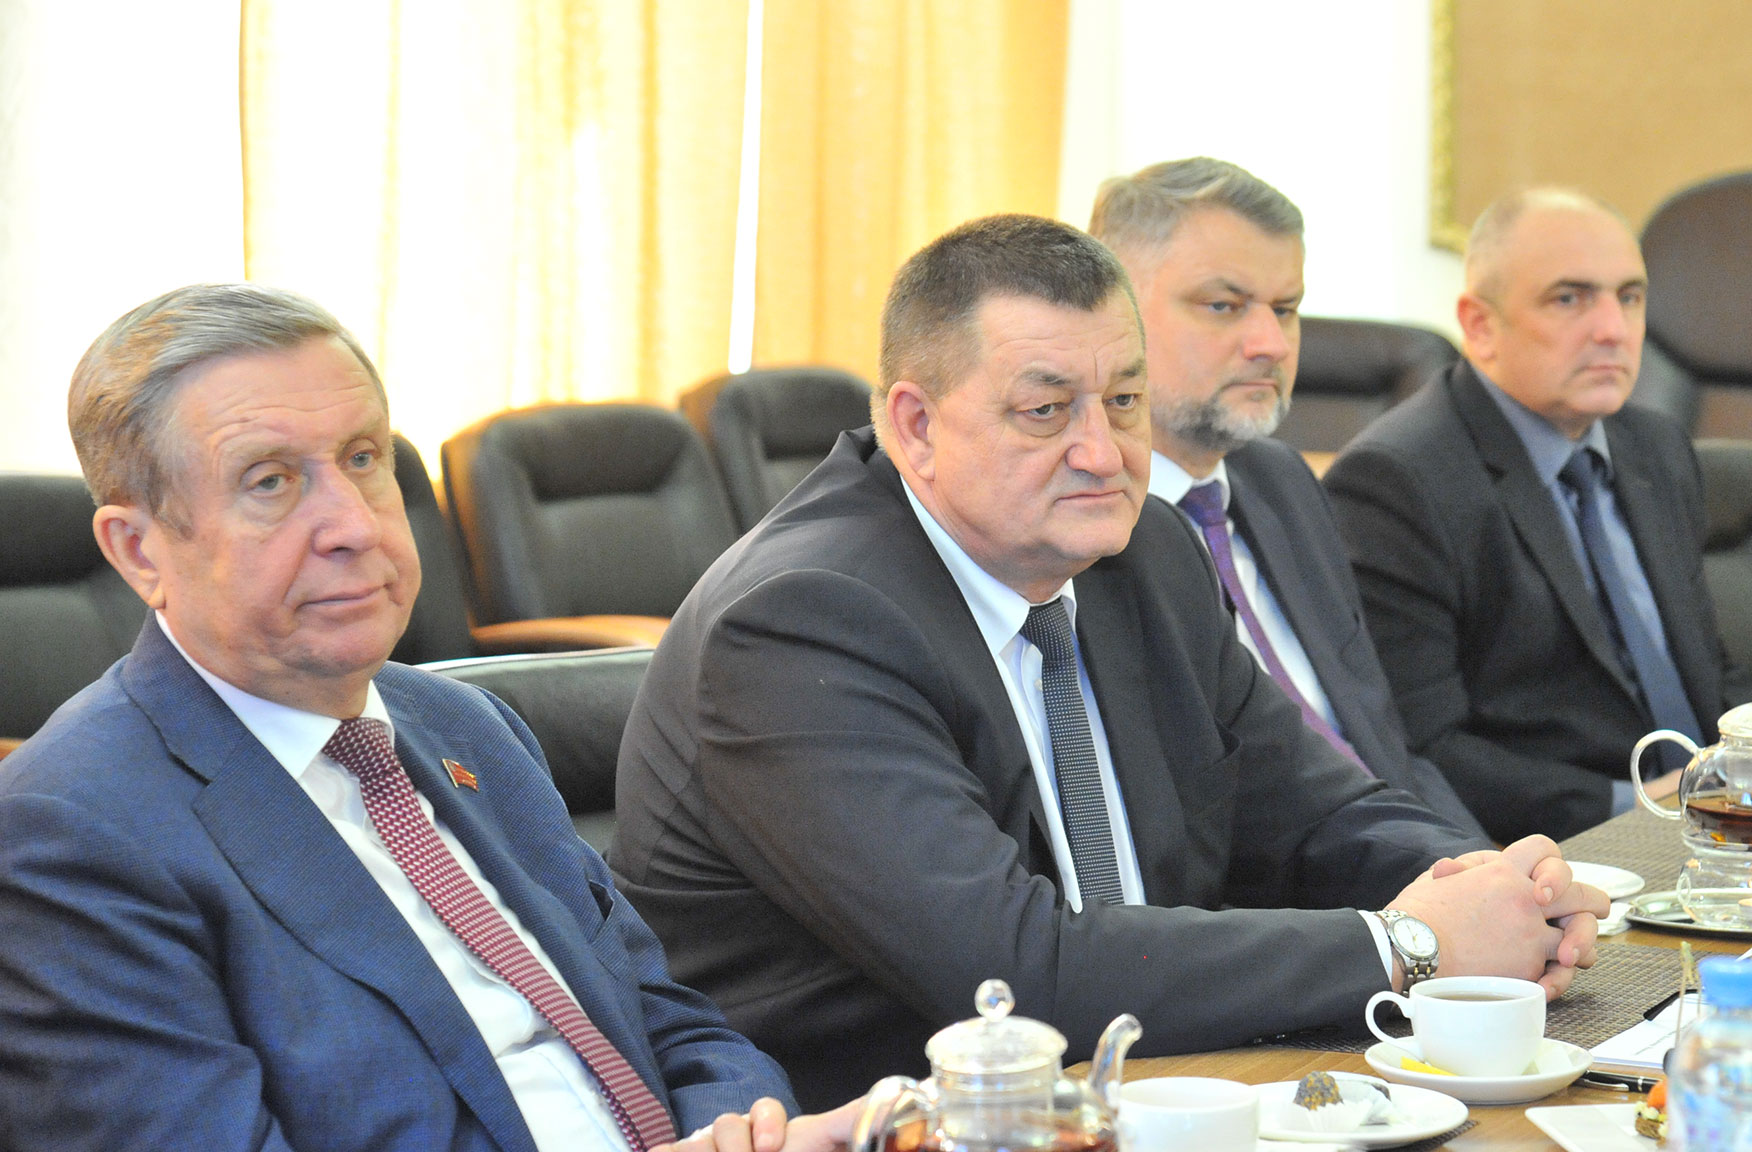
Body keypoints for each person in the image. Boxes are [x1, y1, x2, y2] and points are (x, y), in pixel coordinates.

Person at [610, 214, 1607, 1110]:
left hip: (1173, 1089)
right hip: (909, 1117)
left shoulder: (1144, 553)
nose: (1104, 451)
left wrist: (1496, 889)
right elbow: (1012, 976)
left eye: (1125, 400)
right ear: (916, 425)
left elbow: (1316, 812)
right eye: (1046, 411)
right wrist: (1409, 945)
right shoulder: (802, 621)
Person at [0, 284, 855, 1152]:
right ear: (139, 551)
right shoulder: (67, 837)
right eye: (271, 482)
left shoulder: (466, 725)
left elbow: (667, 1019)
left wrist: (740, 1128)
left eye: (363, 457)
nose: (354, 524)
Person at [1324, 188, 1746, 844]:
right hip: (1564, 849)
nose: (1612, 329)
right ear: (1479, 325)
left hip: (1721, 822)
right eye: (1569, 299)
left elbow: (1703, 664)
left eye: (1629, 297)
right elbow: (1424, 748)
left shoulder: (1655, 446)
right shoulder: (1398, 481)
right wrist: (1639, 803)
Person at [1089, 156, 1485, 837]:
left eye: (1285, 309)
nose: (1271, 344)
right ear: (1112, 315)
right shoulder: (1084, 528)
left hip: (1407, 861)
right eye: (1224, 306)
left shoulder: (1282, 483)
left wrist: (1483, 860)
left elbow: (1382, 746)